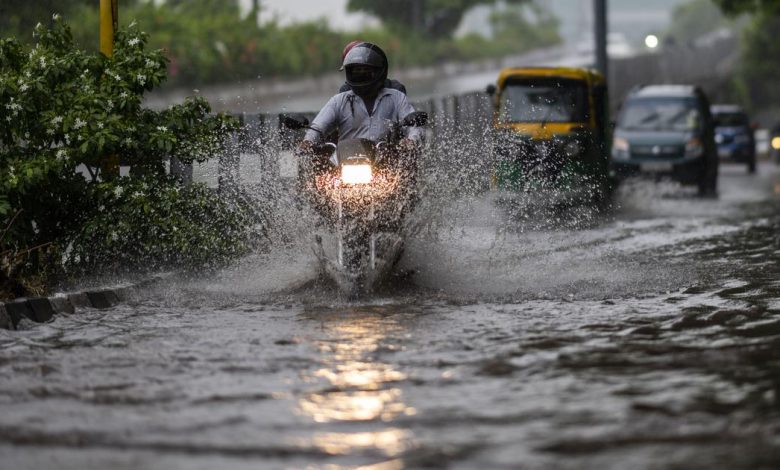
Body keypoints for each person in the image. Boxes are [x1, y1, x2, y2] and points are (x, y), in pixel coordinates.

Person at [298, 41, 422, 155]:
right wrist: (308, 142)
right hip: (345, 164)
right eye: (357, 70)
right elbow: (318, 127)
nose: (361, 74)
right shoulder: (338, 100)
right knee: (319, 175)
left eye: (365, 70)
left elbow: (413, 127)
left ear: (379, 71)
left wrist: (410, 141)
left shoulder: (397, 98)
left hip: (386, 162)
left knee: (405, 174)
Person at [337, 40, 407, 95]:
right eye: (357, 70)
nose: (362, 73)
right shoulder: (345, 92)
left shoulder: (395, 89)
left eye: (366, 69)